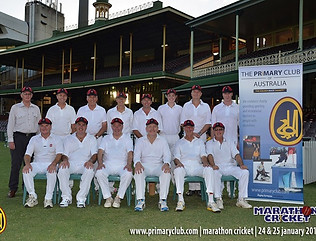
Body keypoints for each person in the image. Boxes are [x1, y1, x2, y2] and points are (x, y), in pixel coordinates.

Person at [173, 120, 219, 212]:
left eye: (190, 127)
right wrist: (178, 163)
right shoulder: (179, 142)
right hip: (184, 166)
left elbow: (203, 155)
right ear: (184, 128)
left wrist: (205, 163)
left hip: (197, 165)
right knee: (177, 170)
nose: (189, 129)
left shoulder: (199, 142)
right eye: (187, 127)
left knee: (209, 169)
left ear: (193, 128)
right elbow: (176, 158)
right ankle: (180, 200)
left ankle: (211, 201)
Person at [206, 122, 252, 209]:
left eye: (220, 129)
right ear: (213, 131)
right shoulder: (209, 143)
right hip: (217, 166)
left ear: (224, 131)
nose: (218, 131)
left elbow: (236, 154)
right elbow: (210, 155)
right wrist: (213, 165)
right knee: (214, 173)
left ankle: (241, 199)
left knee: (244, 172)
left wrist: (241, 164)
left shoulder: (230, 141)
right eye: (216, 130)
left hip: (230, 166)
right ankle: (218, 199)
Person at [7, 86, 41, 198]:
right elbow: (10, 124)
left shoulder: (36, 108)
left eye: (29, 94)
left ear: (32, 96)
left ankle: (26, 188)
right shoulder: (15, 108)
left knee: (29, 164)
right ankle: (13, 188)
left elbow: (39, 126)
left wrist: (38, 139)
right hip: (18, 137)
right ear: (21, 95)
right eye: (25, 94)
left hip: (31, 138)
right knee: (16, 164)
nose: (27, 96)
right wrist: (11, 140)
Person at [57, 117, 97, 208]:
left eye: (83, 125)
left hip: (85, 163)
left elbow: (95, 154)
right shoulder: (68, 138)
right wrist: (65, 160)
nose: (81, 127)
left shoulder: (92, 138)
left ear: (86, 127)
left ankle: (81, 198)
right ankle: (66, 197)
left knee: (90, 170)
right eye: (79, 125)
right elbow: (64, 154)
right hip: (71, 163)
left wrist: (90, 161)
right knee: (62, 170)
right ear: (75, 126)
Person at [22, 118, 63, 208]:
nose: (44, 128)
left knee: (52, 172)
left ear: (50, 127)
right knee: (26, 171)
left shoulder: (56, 139)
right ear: (39, 127)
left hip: (51, 164)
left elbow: (59, 154)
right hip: (37, 163)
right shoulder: (34, 139)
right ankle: (32, 197)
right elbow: (28, 154)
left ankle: (48, 199)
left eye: (46, 126)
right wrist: (27, 164)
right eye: (42, 126)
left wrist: (53, 164)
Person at [134, 118, 171, 212]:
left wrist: (166, 163)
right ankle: (140, 200)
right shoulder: (140, 140)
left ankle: (163, 200)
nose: (152, 129)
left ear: (158, 128)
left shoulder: (163, 140)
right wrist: (137, 163)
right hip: (144, 165)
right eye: (150, 127)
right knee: (138, 172)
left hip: (158, 165)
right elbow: (136, 155)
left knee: (166, 173)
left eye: (154, 127)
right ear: (146, 129)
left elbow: (167, 155)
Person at [180, 85, 212, 196]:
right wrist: (191, 133)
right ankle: (191, 188)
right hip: (188, 136)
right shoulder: (186, 106)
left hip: (200, 137)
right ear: (191, 93)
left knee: (199, 160)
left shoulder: (206, 106)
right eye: (194, 92)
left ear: (201, 94)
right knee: (189, 158)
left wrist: (198, 133)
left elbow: (208, 123)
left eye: (198, 92)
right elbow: (182, 122)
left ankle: (199, 188)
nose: (196, 94)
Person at [95, 118, 133, 208]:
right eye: (114, 126)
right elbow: (100, 152)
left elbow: (130, 153)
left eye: (119, 126)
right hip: (108, 164)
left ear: (122, 126)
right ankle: (108, 197)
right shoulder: (106, 138)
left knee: (128, 174)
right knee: (99, 173)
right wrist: (100, 163)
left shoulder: (127, 138)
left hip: (122, 164)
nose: (117, 128)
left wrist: (128, 164)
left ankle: (118, 197)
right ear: (111, 127)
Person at [211, 85, 239, 197]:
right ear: (222, 95)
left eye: (229, 93)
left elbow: (240, 126)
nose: (227, 95)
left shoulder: (237, 108)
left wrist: (239, 142)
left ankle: (231, 190)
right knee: (219, 164)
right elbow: (213, 126)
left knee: (232, 165)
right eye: (225, 93)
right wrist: (213, 141)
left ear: (232, 94)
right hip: (219, 141)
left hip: (233, 141)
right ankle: (220, 191)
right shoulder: (217, 108)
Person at [157, 89, 182, 154]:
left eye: (173, 95)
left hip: (175, 136)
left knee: (175, 156)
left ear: (176, 96)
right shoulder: (161, 108)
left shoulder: (180, 108)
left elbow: (182, 122)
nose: (171, 97)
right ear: (166, 96)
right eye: (169, 96)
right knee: (164, 155)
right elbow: (158, 123)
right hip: (164, 135)